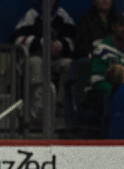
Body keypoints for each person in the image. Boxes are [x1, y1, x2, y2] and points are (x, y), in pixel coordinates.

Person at [11, 0, 76, 128]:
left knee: (68, 64)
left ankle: (59, 107)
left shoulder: (62, 15)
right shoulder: (32, 14)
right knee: (36, 63)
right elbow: (17, 39)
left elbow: (74, 40)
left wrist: (61, 44)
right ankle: (38, 111)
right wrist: (40, 42)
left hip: (56, 59)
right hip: (35, 57)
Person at [89, 12, 124, 95]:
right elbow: (96, 81)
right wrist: (119, 92)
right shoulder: (102, 50)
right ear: (113, 27)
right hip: (101, 97)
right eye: (121, 25)